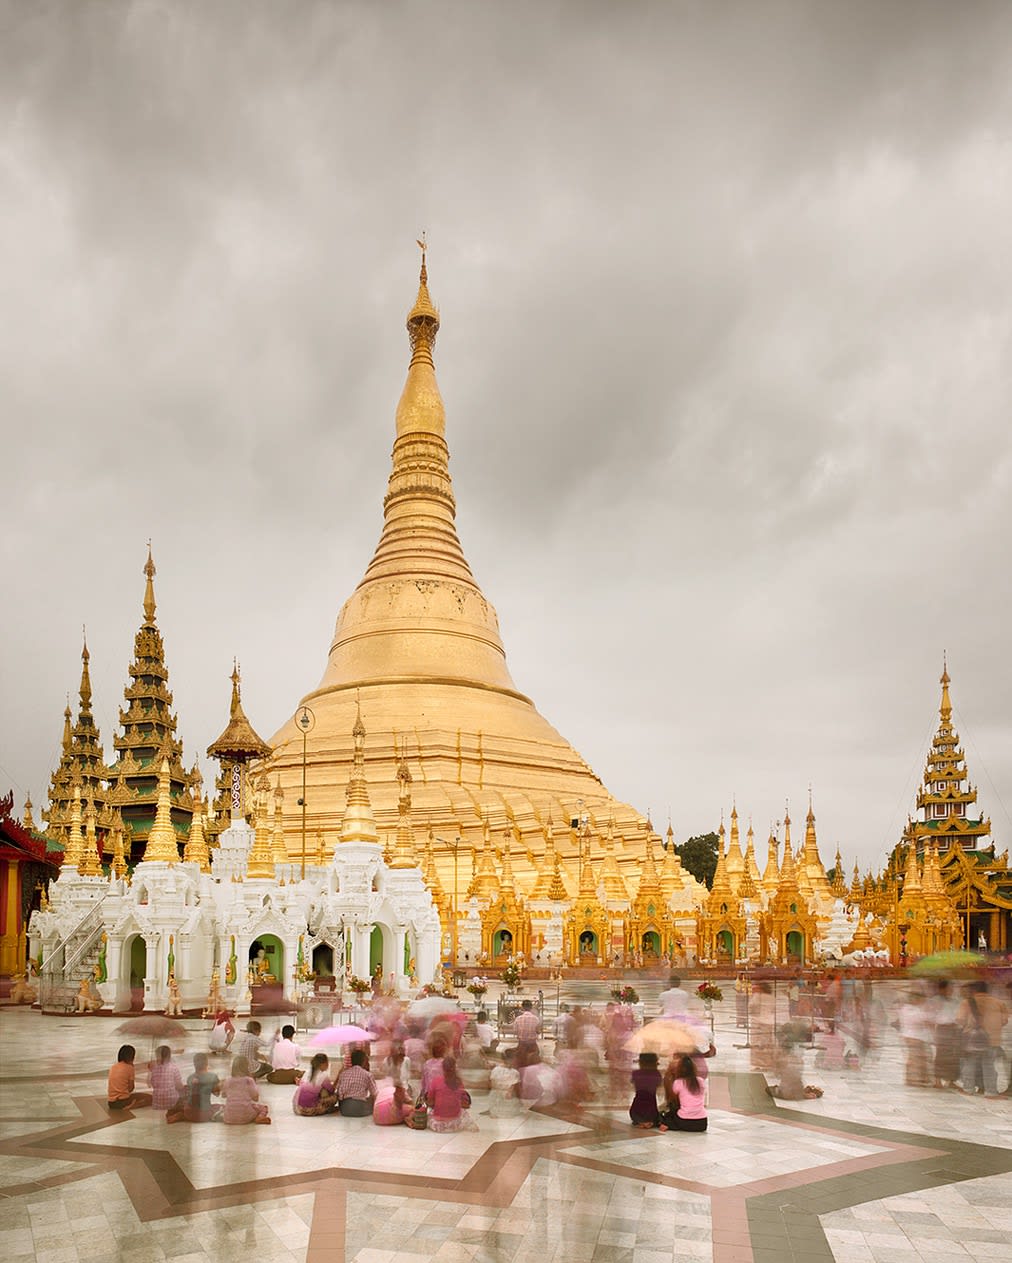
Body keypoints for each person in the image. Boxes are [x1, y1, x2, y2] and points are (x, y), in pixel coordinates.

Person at [427, 1056, 478, 1132]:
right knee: (464, 1112)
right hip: (455, 1123)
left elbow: (430, 1102)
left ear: (443, 1068)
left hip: (438, 1124)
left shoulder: (436, 1081)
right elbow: (465, 1104)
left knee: (429, 1112)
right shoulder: (459, 1082)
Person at [660, 1054, 707, 1132]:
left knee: (668, 1114)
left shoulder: (678, 1082)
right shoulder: (701, 1081)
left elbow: (673, 1099)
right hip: (702, 1123)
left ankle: (668, 1124)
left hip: (684, 1121)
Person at [169, 1053, 220, 1123]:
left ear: (194, 1064)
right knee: (219, 1107)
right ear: (207, 1063)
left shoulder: (190, 1078)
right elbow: (217, 1094)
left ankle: (183, 1115)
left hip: (189, 1112)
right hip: (204, 1115)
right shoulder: (212, 1076)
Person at [222, 1055, 271, 1124]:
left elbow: (223, 1095)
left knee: (225, 1107)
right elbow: (255, 1098)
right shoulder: (249, 1080)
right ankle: (259, 1117)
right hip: (245, 1116)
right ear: (246, 1067)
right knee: (263, 1108)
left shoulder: (228, 1080)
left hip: (228, 1118)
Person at [107, 1045, 152, 1111]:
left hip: (111, 1103)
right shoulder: (129, 1068)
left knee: (136, 1096)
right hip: (122, 1102)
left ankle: (130, 1103)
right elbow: (131, 1088)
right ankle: (132, 1106)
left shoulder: (113, 1066)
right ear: (132, 1057)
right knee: (150, 1098)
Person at [336, 1049, 377, 1116]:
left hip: (344, 1110)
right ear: (364, 1061)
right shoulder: (367, 1074)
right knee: (370, 1099)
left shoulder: (343, 1074)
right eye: (367, 1061)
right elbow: (375, 1094)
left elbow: (339, 1094)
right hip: (359, 1109)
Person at [487, 1048, 523, 1118]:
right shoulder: (496, 1070)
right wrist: (500, 1091)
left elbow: (512, 1086)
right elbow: (493, 1084)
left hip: (507, 1094)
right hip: (497, 1093)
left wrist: (509, 1092)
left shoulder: (515, 1072)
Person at [629, 1052, 662, 1128]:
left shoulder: (636, 1073)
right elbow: (659, 1085)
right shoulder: (656, 1074)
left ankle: (641, 1122)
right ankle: (648, 1122)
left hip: (636, 1109)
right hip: (651, 1109)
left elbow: (632, 1082)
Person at [150, 1045, 184, 1114]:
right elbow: (179, 1086)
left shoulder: (154, 1069)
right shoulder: (174, 1068)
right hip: (171, 1104)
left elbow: (153, 1085)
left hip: (157, 1104)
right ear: (169, 1056)